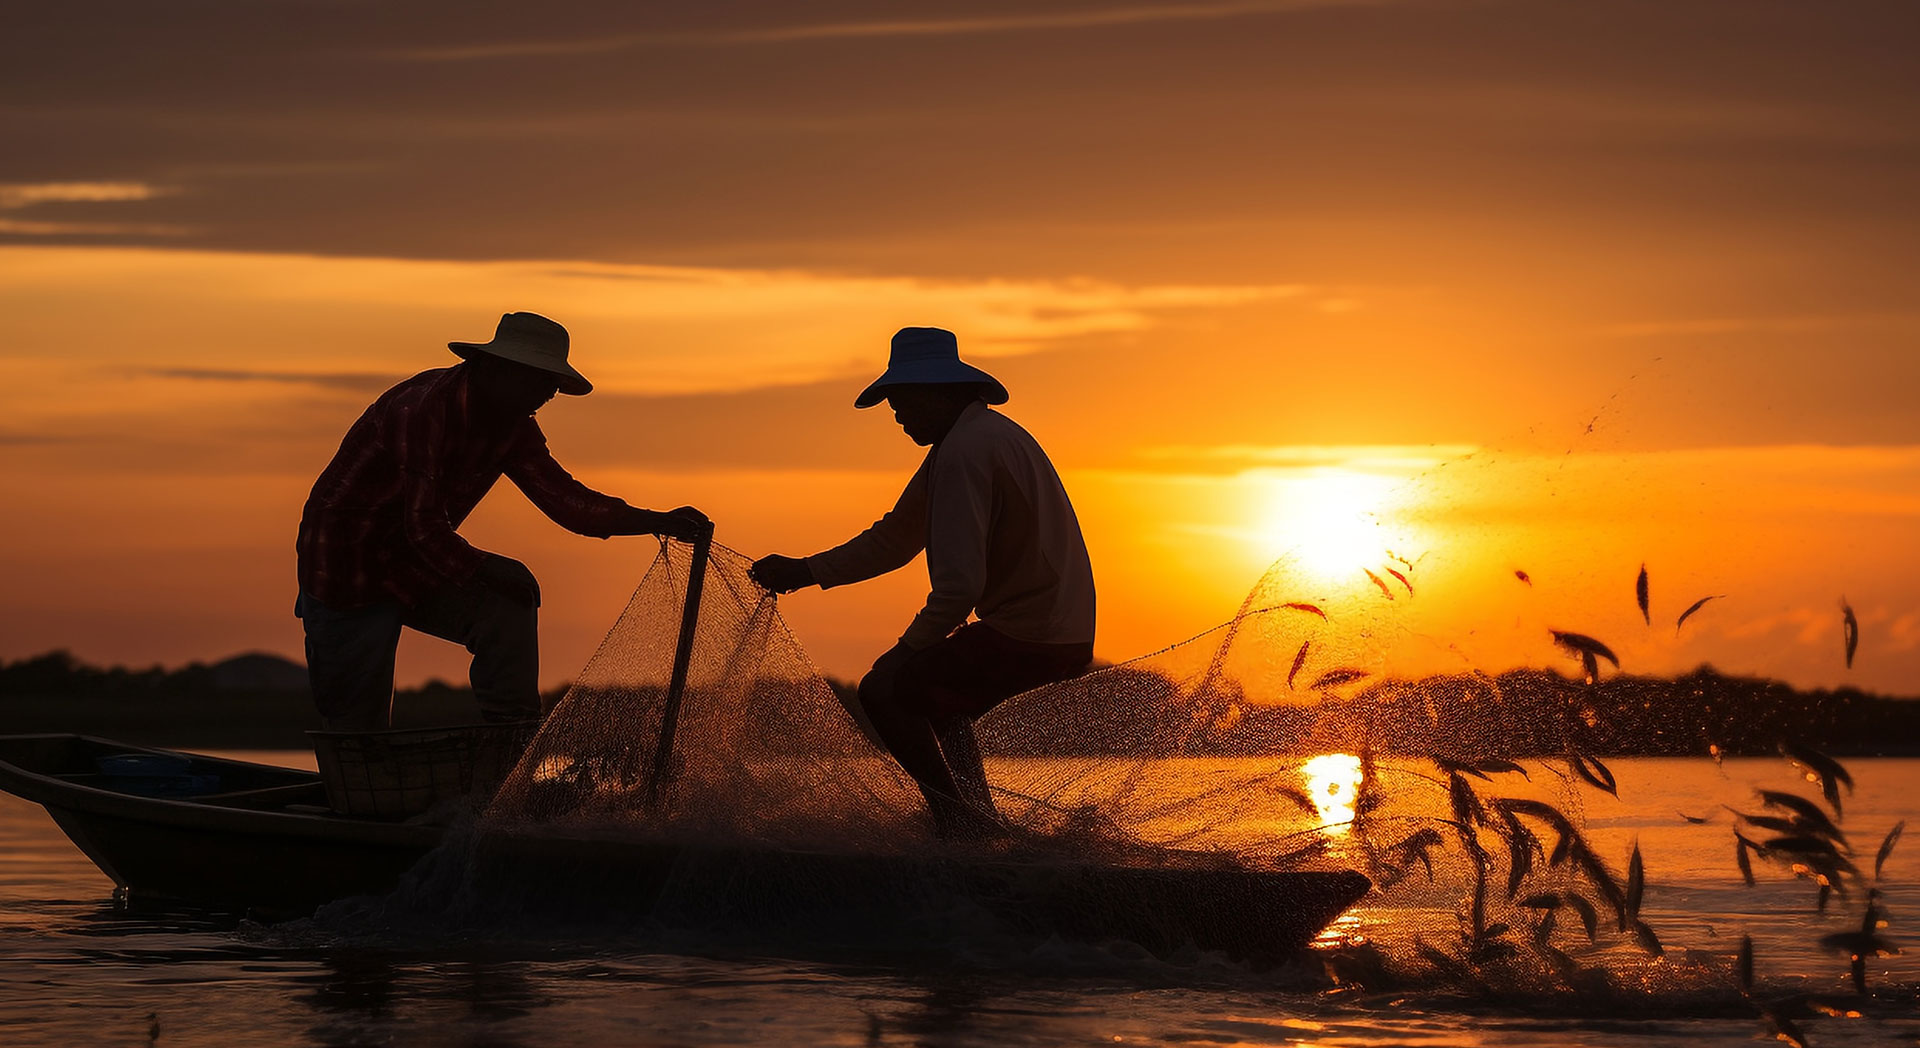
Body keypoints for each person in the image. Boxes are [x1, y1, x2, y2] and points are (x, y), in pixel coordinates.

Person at [751, 327, 1095, 839]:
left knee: (885, 689)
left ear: (942, 391)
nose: (897, 415)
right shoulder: (976, 438)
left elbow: (959, 589)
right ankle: (981, 823)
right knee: (938, 699)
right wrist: (806, 570)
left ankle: (961, 826)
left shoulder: (965, 451)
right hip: (1056, 628)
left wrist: (902, 651)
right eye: (894, 403)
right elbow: (896, 538)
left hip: (1032, 632)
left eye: (904, 401)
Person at [295, 311, 707, 731]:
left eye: (552, 385)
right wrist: (487, 567)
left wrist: (657, 520)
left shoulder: (513, 427)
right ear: (493, 368)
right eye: (539, 381)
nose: (547, 395)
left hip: (421, 559)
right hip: (347, 564)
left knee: (509, 605)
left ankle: (509, 747)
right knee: (356, 728)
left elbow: (566, 502)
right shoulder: (421, 412)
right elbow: (422, 525)